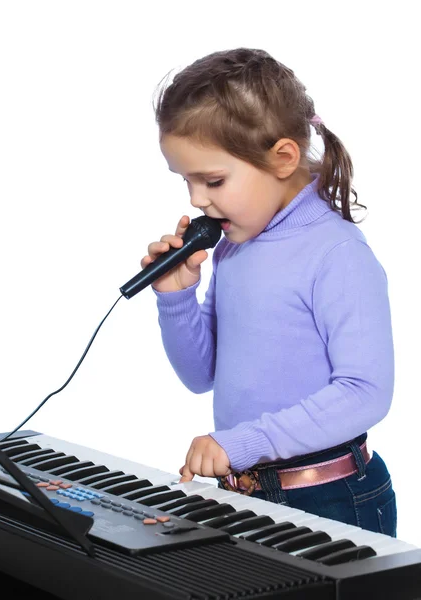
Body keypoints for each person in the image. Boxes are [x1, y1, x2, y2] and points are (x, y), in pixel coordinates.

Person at [141, 47, 397, 537]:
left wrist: (245, 442)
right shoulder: (233, 248)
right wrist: (176, 299)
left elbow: (366, 392)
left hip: (329, 497)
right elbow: (202, 376)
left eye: (212, 180)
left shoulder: (337, 254)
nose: (196, 199)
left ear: (282, 158)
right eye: (186, 181)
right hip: (245, 489)